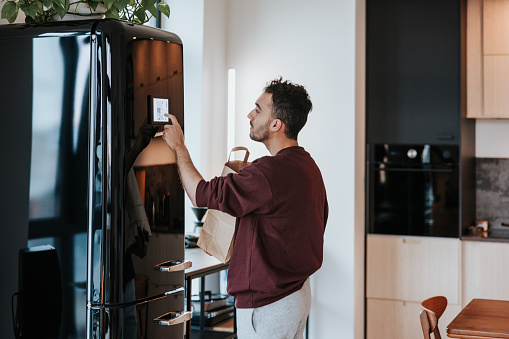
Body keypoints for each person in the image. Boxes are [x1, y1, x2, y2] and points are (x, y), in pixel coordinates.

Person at [162, 77, 328, 338]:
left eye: (258, 109)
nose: (250, 114)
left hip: (269, 305)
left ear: (276, 124)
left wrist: (178, 146)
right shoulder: (308, 166)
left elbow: (199, 194)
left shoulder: (268, 172)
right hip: (296, 295)